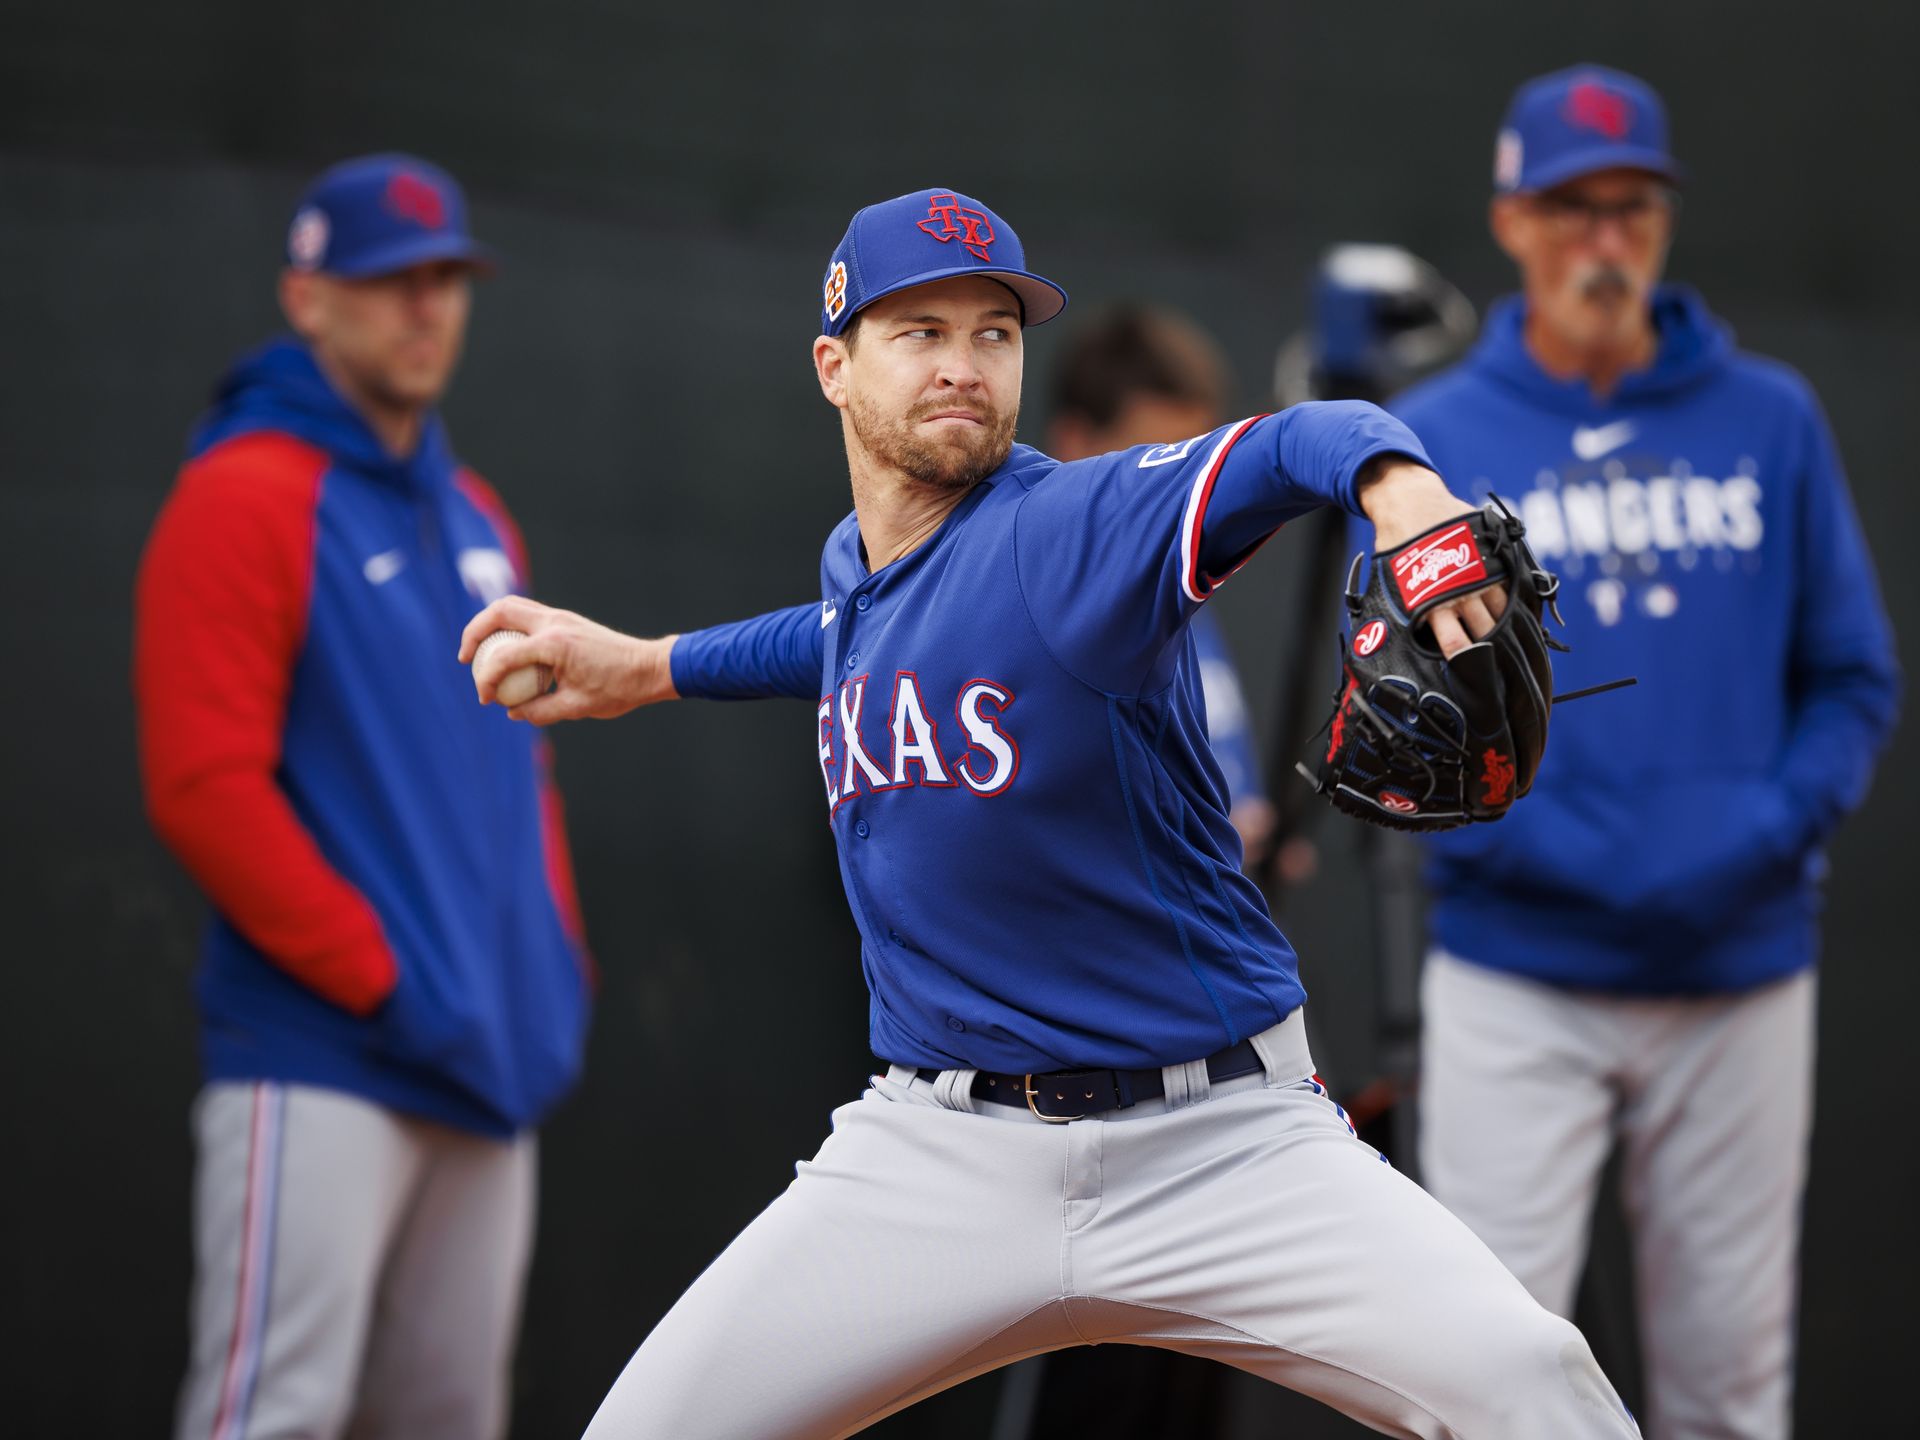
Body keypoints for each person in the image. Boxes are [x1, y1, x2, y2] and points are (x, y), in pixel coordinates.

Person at [464, 186, 1640, 1439]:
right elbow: (848, 637)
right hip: (940, 1154)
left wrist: (1394, 482)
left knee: (1534, 1390)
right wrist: (652, 665)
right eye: (919, 332)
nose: (963, 366)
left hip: (1221, 1145)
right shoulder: (858, 568)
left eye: (993, 331)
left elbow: (1293, 442)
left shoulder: (1079, 526)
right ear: (834, 366)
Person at [1363, 67, 1900, 1440]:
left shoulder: (1767, 417)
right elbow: (1412, 718)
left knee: (1729, 1391)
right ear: (1512, 220)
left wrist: (1762, 835)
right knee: (1476, 1381)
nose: (1605, 238)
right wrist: (1558, 849)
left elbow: (1851, 678)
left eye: (1632, 209)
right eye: (1573, 208)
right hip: (1519, 975)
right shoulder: (1445, 438)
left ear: (1662, 222)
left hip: (1738, 971)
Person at [134, 153, 592, 1440]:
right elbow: (202, 789)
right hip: (323, 1055)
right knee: (272, 1415)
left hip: (484, 1063)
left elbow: (522, 768)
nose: (424, 309)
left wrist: (544, 980)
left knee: (450, 1421)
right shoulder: (242, 493)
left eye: (445, 278)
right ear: (308, 296)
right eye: (390, 281)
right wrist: (390, 982)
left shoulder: (476, 512)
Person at [1045, 304, 1276, 869]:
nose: (1181, 489)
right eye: (1156, 460)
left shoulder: (1178, 573)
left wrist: (1248, 828)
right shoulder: (1045, 605)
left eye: (1197, 464)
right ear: (1074, 440)